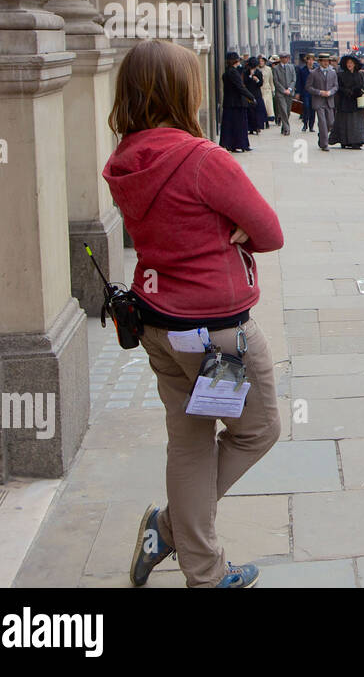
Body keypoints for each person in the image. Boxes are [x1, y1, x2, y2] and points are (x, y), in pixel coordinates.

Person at [102, 39, 282, 588]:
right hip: (217, 339)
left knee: (189, 442)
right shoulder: (204, 159)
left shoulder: (124, 162)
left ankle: (203, 573)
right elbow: (270, 233)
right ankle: (171, 529)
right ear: (184, 92)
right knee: (257, 430)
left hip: (158, 327)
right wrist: (235, 231)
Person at [330, 54, 364, 149]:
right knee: (344, 122)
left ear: (355, 64)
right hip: (345, 101)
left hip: (356, 101)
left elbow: (363, 86)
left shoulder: (360, 75)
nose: (349, 64)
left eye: (351, 63)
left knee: (356, 122)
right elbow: (338, 87)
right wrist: (346, 91)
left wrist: (356, 91)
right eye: (348, 63)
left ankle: (356, 141)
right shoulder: (341, 75)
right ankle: (344, 141)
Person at [219, 51, 254, 153]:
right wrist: (251, 97)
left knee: (230, 125)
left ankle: (232, 145)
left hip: (231, 103)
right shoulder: (233, 72)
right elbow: (240, 87)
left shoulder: (227, 72)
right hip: (236, 103)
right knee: (239, 125)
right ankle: (240, 144)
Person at [306, 51, 338, 151]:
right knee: (322, 123)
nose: (326, 63)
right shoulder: (313, 73)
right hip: (319, 101)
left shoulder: (333, 73)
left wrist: (330, 92)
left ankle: (322, 135)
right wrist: (319, 92)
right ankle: (324, 144)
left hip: (329, 101)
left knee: (331, 123)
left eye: (327, 61)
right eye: (323, 61)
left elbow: (336, 86)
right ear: (319, 62)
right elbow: (308, 87)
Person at [270, 52, 297, 136]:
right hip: (280, 93)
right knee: (283, 109)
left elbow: (294, 79)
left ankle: (284, 127)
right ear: (280, 59)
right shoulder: (276, 68)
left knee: (288, 111)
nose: (285, 59)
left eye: (287, 57)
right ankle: (287, 128)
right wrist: (283, 90)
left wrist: (289, 89)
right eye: (283, 57)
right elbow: (276, 81)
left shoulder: (291, 67)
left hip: (289, 92)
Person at [243, 57, 265, 134]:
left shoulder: (258, 72)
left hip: (257, 93)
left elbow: (261, 83)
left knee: (258, 111)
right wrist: (250, 76)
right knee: (249, 111)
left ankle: (257, 127)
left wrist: (257, 80)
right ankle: (250, 128)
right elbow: (245, 82)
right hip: (249, 93)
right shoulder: (246, 72)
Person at [295, 53, 315, 132]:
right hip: (305, 92)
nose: (310, 61)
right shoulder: (302, 70)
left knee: (313, 109)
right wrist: (298, 92)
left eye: (312, 59)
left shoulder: (316, 70)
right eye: (309, 59)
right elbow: (299, 82)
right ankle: (305, 124)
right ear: (306, 61)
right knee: (306, 107)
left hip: (314, 93)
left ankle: (311, 126)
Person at [260, 56, 276, 124]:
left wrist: (273, 90)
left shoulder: (268, 69)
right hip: (260, 89)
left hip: (267, 89)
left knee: (267, 105)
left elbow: (271, 80)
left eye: (262, 61)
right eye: (260, 61)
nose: (261, 63)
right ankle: (263, 119)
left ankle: (267, 120)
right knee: (262, 105)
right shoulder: (257, 69)